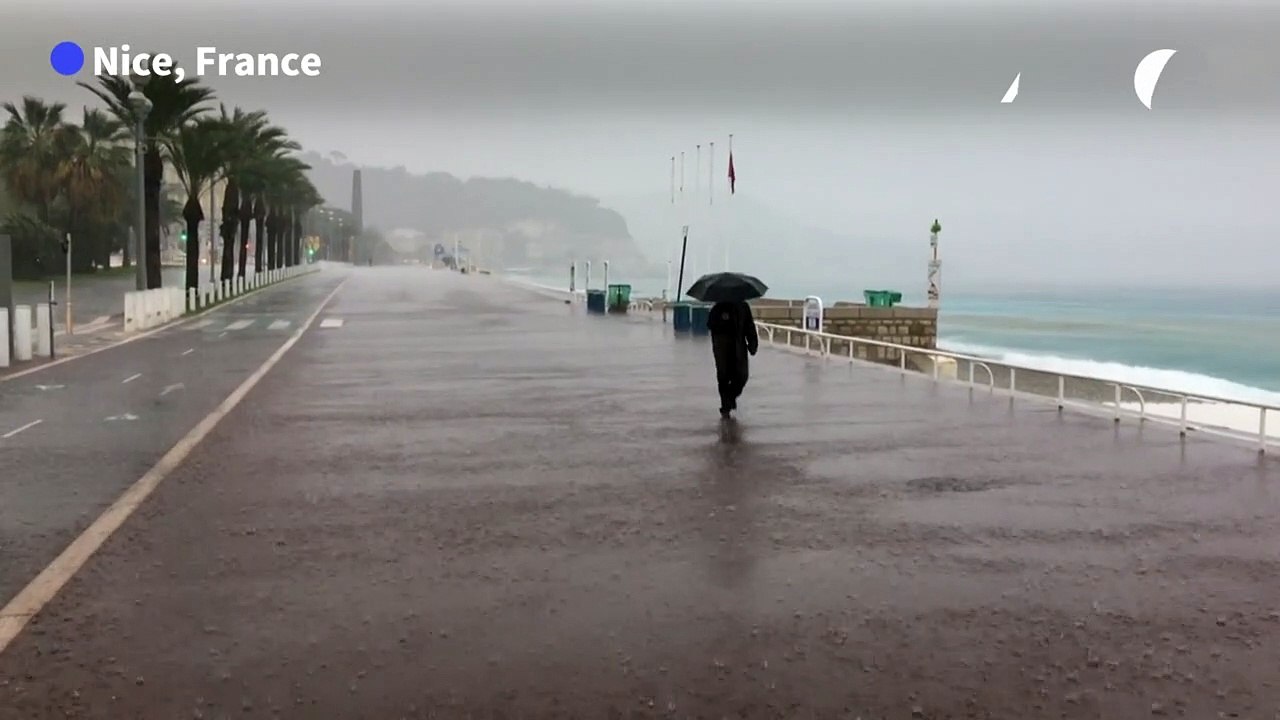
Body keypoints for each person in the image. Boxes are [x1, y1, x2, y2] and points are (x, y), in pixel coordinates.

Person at [706, 299, 759, 417]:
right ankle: (725, 405)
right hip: (722, 347)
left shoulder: (743, 307)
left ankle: (730, 397)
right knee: (723, 376)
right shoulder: (717, 307)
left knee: (742, 375)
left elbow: (749, 326)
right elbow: (710, 325)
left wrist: (753, 344)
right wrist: (724, 320)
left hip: (739, 346)